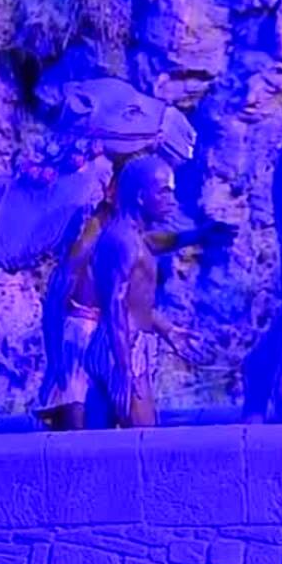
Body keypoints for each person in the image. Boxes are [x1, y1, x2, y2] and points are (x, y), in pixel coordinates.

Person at [35, 155, 232, 431]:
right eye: (163, 192)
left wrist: (168, 329)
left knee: (98, 442)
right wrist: (121, 365)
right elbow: (111, 303)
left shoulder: (128, 235)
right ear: (138, 196)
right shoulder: (110, 237)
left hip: (111, 341)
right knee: (140, 440)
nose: (171, 200)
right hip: (112, 342)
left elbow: (141, 275)